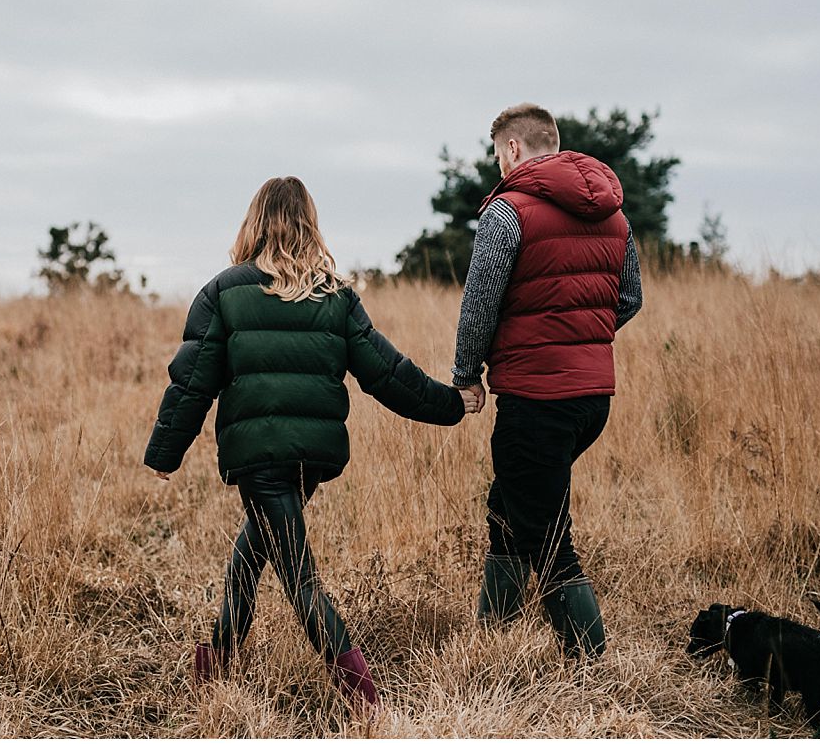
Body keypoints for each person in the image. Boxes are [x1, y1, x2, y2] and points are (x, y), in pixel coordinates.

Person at [143, 176, 473, 712]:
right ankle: (217, 666)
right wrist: (451, 403)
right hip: (312, 457)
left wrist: (164, 453)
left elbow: (193, 380)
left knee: (297, 575)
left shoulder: (225, 291)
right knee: (253, 552)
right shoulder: (336, 296)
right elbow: (388, 374)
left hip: (259, 455)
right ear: (308, 225)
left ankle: (364, 701)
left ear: (254, 223)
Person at [452, 103, 642, 659]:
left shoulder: (509, 210)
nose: (498, 165)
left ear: (512, 149)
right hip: (591, 401)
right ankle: (495, 637)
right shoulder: (614, 215)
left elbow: (480, 303)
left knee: (549, 536)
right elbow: (628, 298)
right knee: (509, 505)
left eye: (496, 155)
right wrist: (580, 337)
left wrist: (467, 374)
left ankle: (591, 665)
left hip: (536, 397)